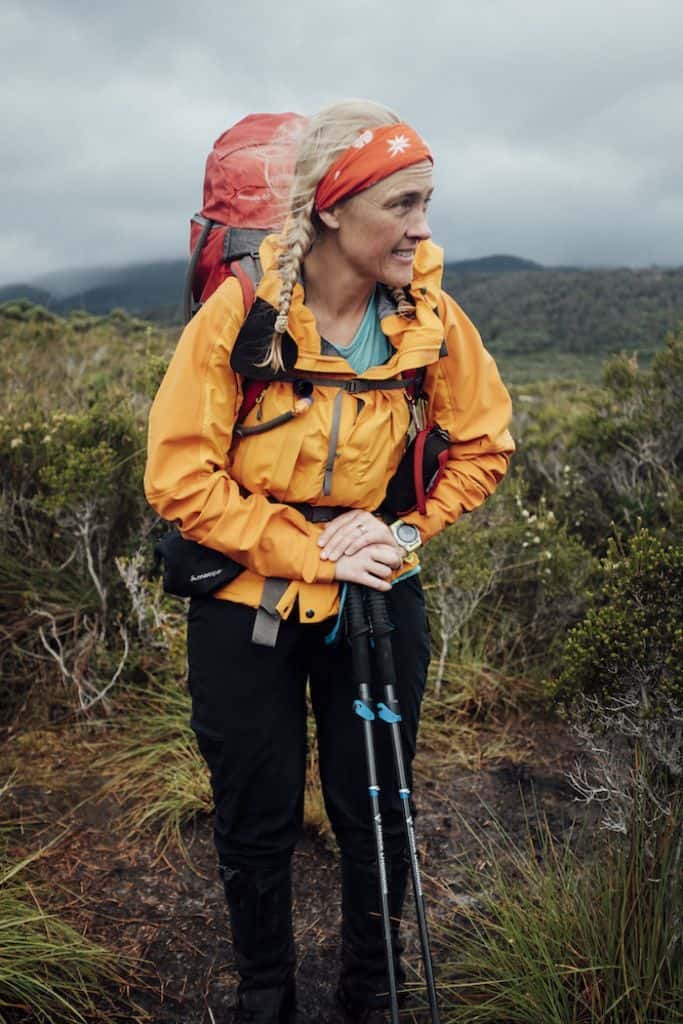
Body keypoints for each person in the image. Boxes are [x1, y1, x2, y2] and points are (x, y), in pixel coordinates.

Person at [144, 99, 514, 1024]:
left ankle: (371, 990)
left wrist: (398, 538)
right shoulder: (242, 312)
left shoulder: (428, 316)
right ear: (331, 209)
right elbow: (179, 477)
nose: (420, 227)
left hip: (381, 597)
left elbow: (483, 445)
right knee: (256, 814)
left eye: (426, 202)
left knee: (375, 806)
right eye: (399, 203)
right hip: (243, 601)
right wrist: (312, 550)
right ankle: (263, 993)